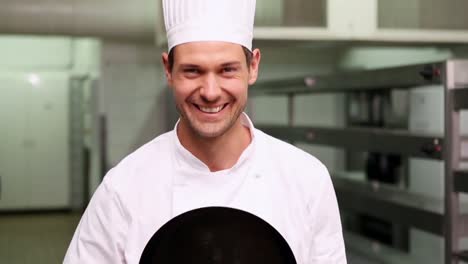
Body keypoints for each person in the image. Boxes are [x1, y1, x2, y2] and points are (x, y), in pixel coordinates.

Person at [63, 0, 347, 263]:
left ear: (253, 66)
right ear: (168, 69)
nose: (210, 92)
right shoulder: (124, 189)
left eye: (227, 70)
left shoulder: (306, 179)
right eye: (192, 71)